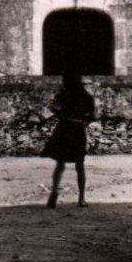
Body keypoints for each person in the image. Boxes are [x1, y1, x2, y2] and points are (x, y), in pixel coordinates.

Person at [42, 67, 96, 208]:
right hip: (77, 130)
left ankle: (54, 192)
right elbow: (91, 116)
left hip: (65, 129)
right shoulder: (87, 97)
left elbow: (53, 110)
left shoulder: (62, 96)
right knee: (80, 164)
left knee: (60, 164)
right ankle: (81, 198)